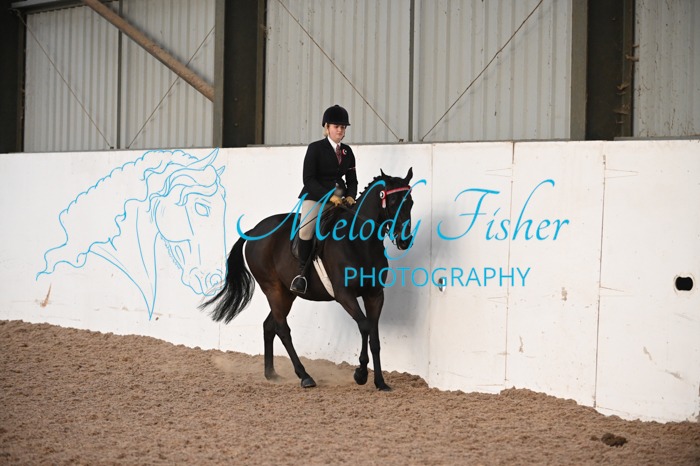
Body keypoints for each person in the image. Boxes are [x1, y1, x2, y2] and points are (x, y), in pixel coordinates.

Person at [290, 105, 358, 294]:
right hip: (316, 197)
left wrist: (351, 195)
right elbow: (308, 179)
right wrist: (330, 197)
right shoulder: (315, 148)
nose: (340, 130)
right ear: (327, 127)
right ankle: (302, 274)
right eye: (337, 126)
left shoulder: (347, 152)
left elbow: (352, 179)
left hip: (340, 199)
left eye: (343, 127)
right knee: (306, 230)